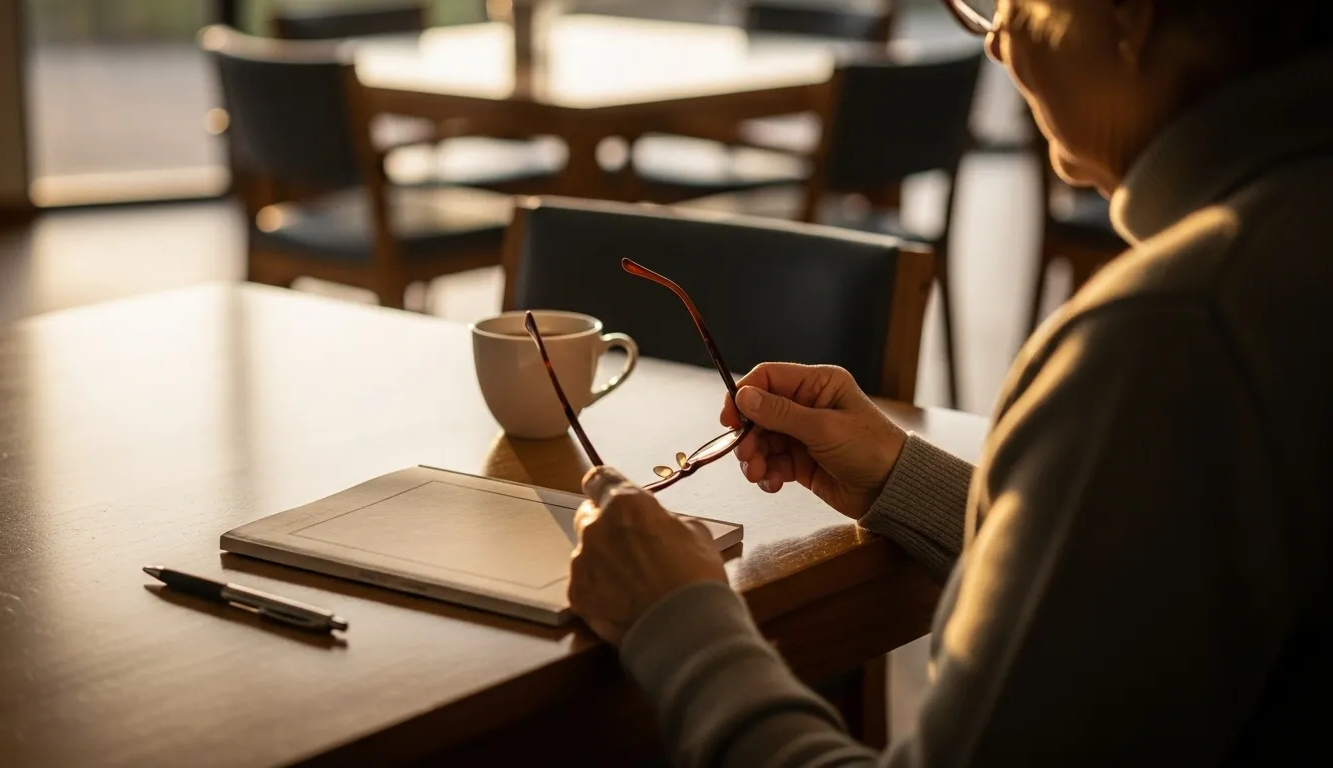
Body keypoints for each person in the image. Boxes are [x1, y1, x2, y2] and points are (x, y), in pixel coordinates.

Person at [565, 0, 1333, 764]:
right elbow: (1152, 596)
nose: (997, 44)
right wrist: (903, 480)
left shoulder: (1171, 333)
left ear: (1129, 18)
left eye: (1005, 5)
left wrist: (679, 619)